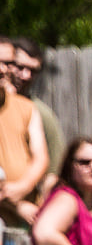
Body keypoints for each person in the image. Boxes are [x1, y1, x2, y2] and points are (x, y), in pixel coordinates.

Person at [0, 36, 50, 227]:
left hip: (30, 213)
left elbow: (41, 158)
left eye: (8, 63)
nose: (2, 69)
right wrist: (16, 205)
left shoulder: (26, 107)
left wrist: (24, 186)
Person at [8, 38, 64, 202]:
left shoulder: (41, 113)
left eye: (33, 70)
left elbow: (53, 174)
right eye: (20, 67)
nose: (26, 76)